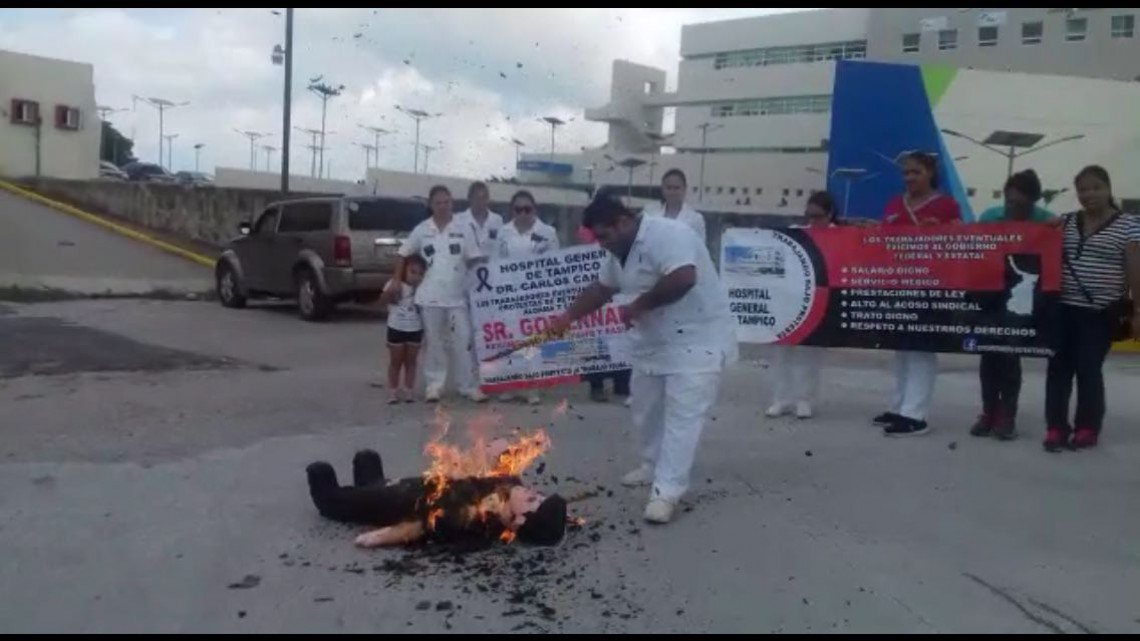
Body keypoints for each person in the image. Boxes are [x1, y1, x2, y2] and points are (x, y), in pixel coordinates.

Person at [554, 196, 737, 524]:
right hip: (653, 341)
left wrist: (638, 306)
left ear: (622, 222)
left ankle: (667, 491)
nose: (600, 244)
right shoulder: (616, 251)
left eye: (603, 236)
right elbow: (601, 289)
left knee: (683, 417)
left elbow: (683, 278)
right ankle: (652, 465)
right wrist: (567, 317)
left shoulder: (668, 234)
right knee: (645, 407)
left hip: (698, 339)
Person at [1044, 165, 1140, 452]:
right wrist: (1044, 230)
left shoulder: (1129, 225)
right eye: (1083, 189)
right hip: (1062, 310)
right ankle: (1055, 428)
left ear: (1109, 189)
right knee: (1057, 370)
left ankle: (1087, 428)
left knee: (1089, 369)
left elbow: (1135, 270)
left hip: (1100, 313)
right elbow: (1040, 246)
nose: (1090, 194)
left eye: (1096, 187)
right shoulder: (1067, 222)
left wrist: (1138, 311)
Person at [306, 449, 567, 547]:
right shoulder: (509, 485)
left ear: (517, 521)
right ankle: (368, 476)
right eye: (539, 494)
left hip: (394, 505)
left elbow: (420, 526)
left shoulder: (473, 522)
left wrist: (383, 537)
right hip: (408, 485)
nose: (534, 492)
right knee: (370, 467)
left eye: (533, 501)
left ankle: (329, 494)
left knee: (335, 495)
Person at [874, 151, 962, 437]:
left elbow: (962, 242)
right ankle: (899, 406)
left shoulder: (947, 206)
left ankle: (916, 414)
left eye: (916, 172)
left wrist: (943, 231)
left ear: (931, 173)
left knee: (921, 348)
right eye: (906, 173)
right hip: (897, 283)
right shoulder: (892, 204)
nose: (909, 177)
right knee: (901, 349)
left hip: (930, 285)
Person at [969, 169, 1053, 440]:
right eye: (1008, 201)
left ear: (1033, 202)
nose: (1012, 207)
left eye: (1019, 203)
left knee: (1009, 354)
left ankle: (1008, 415)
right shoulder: (990, 217)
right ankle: (987, 412)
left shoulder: (1046, 222)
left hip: (1021, 298)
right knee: (988, 353)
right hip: (989, 294)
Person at [396, 185, 487, 403]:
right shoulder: (422, 229)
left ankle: (467, 385)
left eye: (447, 202)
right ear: (431, 205)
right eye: (438, 202)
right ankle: (434, 385)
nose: (443, 206)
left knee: (463, 341)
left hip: (458, 296)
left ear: (452, 203)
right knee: (434, 343)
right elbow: (402, 254)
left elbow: (474, 259)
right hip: (429, 296)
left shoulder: (464, 227)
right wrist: (396, 281)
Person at [766, 192, 838, 420]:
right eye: (808, 215)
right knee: (781, 352)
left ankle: (804, 400)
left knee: (811, 354)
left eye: (817, 216)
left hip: (820, 299)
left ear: (830, 215)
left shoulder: (839, 236)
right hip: (790, 299)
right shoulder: (796, 232)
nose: (812, 221)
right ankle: (781, 398)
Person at [497, 190, 561, 405]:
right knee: (512, 340)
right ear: (512, 211)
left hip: (535, 294)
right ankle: (513, 385)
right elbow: (496, 263)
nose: (523, 213)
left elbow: (555, 263)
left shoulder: (548, 232)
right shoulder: (503, 232)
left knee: (532, 342)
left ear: (535, 209)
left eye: (527, 209)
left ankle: (533, 387)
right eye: (518, 209)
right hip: (509, 293)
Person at [576, 223, 632, 405]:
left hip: (616, 284)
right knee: (594, 336)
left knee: (620, 335)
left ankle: (622, 380)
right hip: (593, 282)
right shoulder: (586, 227)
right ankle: (596, 384)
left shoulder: (620, 230)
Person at [376, 255, 427, 404]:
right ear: (403, 270)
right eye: (413, 272)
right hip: (396, 328)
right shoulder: (393, 284)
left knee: (411, 362)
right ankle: (393, 390)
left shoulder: (423, 289)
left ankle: (408, 390)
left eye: (420, 274)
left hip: (415, 330)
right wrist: (389, 294)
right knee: (395, 362)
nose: (416, 276)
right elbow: (381, 301)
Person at [641, 169, 707, 246]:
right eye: (668, 188)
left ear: (684, 189)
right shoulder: (649, 213)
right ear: (662, 189)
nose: (672, 192)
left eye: (676, 188)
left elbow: (700, 250)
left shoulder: (696, 219)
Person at [455, 181, 504, 258]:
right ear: (470, 198)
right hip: (467, 267)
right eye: (477, 198)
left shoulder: (497, 220)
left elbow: (501, 246)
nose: (480, 202)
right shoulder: (458, 220)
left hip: (492, 267)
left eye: (484, 198)